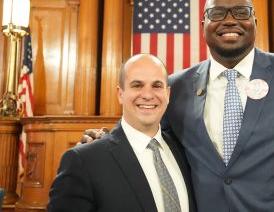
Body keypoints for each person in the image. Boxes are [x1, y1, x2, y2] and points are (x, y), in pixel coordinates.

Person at [82, 0, 274, 211]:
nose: (230, 20)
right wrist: (107, 141)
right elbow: (153, 142)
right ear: (203, 22)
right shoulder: (176, 86)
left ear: (254, 20)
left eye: (241, 12)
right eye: (217, 13)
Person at [48, 54, 196, 212]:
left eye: (157, 86)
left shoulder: (183, 149)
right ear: (120, 94)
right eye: (137, 85)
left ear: (167, 94)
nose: (147, 95)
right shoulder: (83, 161)